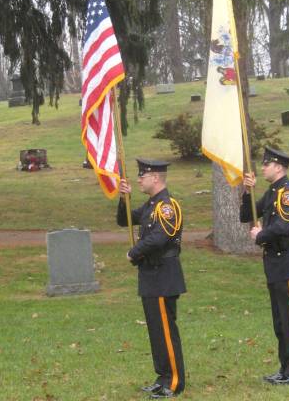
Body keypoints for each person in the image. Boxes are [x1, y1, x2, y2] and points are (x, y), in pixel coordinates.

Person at [117, 158, 186, 399]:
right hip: (150, 274)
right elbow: (124, 220)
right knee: (156, 331)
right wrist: (123, 198)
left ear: (155, 178)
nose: (139, 180)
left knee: (166, 330)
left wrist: (134, 252)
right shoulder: (149, 206)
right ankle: (162, 376)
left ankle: (175, 381)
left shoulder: (167, 206)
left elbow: (160, 237)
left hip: (163, 274)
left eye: (143, 176)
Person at [240, 147, 289, 385]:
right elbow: (246, 214)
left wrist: (260, 234)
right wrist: (247, 190)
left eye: (267, 164)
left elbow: (284, 227)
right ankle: (285, 367)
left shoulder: (288, 193)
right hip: (275, 262)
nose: (263, 168)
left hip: (287, 260)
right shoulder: (272, 193)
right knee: (280, 320)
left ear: (278, 166)